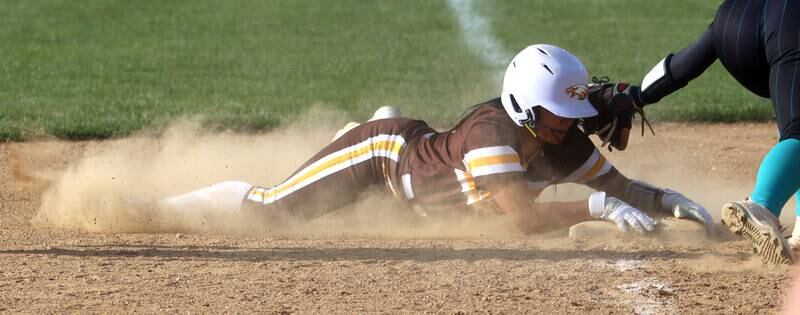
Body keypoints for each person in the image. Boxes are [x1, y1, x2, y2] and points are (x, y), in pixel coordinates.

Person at [160, 44, 714, 236]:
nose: (568, 122)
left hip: (415, 188)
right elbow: (523, 219)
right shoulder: (493, 131)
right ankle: (152, 207)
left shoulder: (558, 137)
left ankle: (367, 123)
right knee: (273, 211)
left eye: (572, 112)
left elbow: (620, 187)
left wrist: (669, 201)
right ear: (524, 107)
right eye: (557, 112)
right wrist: (595, 205)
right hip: (382, 162)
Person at [613, 0, 800, 264]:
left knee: (793, 130)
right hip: (789, 29)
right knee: (798, 130)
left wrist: (637, 95)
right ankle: (760, 207)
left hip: (734, 20)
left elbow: (693, 57)